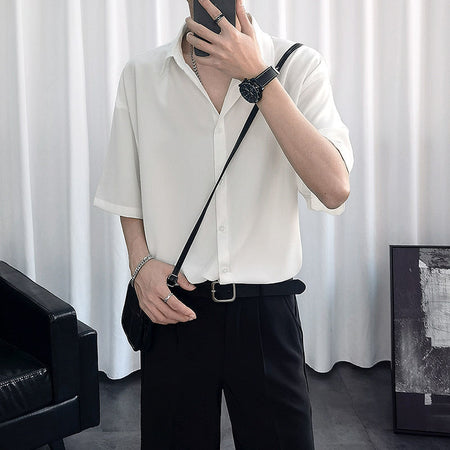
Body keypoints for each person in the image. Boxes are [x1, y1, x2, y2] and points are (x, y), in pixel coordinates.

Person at [93, 0, 354, 448]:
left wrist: (260, 76)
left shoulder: (298, 65)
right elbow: (125, 187)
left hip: (266, 312)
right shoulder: (143, 75)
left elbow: (334, 188)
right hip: (174, 307)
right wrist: (139, 266)